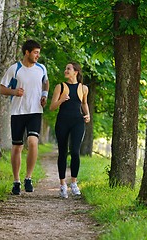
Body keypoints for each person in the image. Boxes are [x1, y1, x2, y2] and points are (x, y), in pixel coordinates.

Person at [0, 40, 49, 195]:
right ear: (27, 52)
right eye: (35, 52)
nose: (38, 56)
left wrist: (44, 95)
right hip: (18, 112)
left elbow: (45, 82)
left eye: (39, 53)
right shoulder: (15, 69)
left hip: (35, 111)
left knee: (33, 142)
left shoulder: (41, 68)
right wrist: (14, 92)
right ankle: (16, 181)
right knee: (17, 147)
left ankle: (28, 177)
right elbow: (2, 88)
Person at [49, 62, 90, 198]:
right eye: (65, 68)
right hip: (62, 122)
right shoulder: (60, 87)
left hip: (77, 122)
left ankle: (73, 183)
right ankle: (62, 185)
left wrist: (87, 114)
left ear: (76, 72)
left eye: (68, 69)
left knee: (75, 151)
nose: (65, 70)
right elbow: (52, 107)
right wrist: (61, 100)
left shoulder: (84, 88)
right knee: (62, 152)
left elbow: (84, 103)